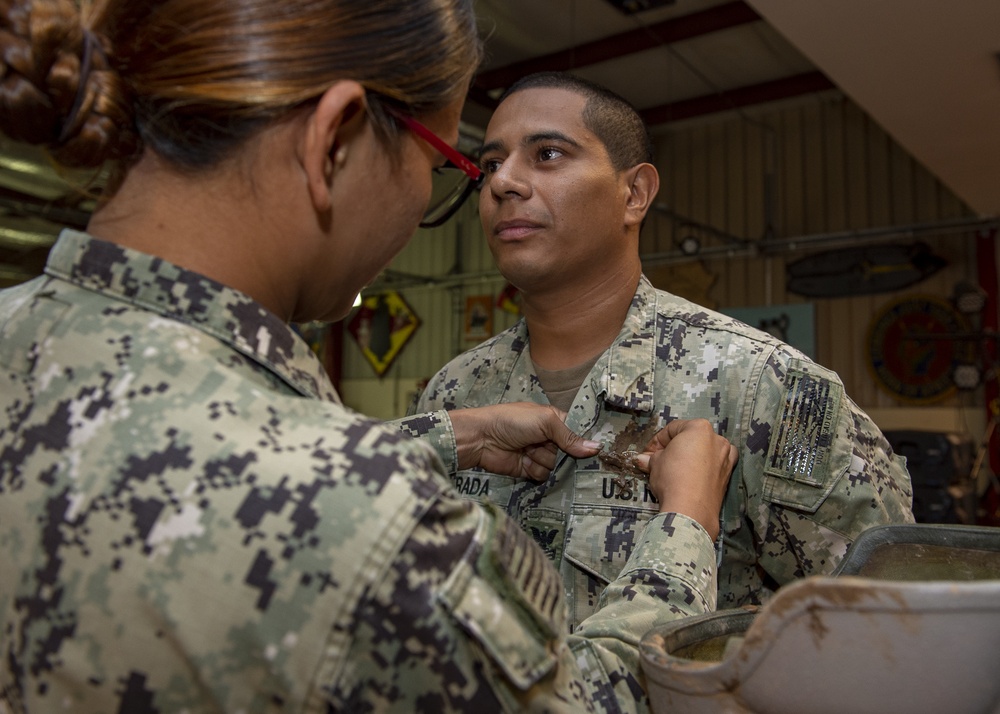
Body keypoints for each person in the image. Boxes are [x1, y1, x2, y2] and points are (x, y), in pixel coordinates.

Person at [0, 2, 740, 712]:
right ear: (335, 139)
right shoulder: (376, 519)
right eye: (446, 159)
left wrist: (441, 438)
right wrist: (683, 529)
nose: (487, 187)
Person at [410, 71, 915, 627]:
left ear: (635, 194)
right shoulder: (454, 394)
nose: (504, 182)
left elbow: (887, 625)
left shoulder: (767, 389)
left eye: (547, 154)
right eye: (490, 164)